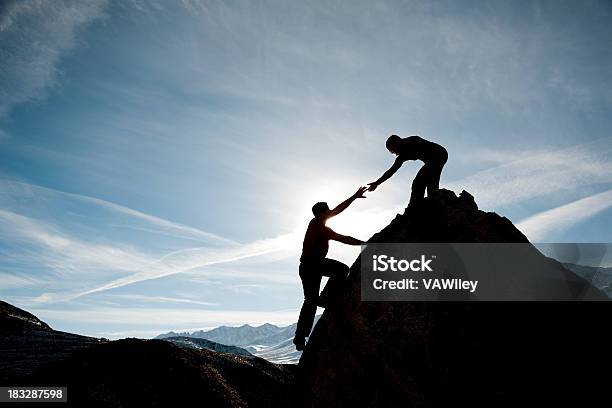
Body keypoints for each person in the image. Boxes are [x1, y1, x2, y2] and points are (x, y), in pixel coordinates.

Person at [293, 187, 367, 351]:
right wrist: (363, 243)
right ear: (321, 213)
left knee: (311, 300)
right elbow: (343, 238)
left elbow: (338, 209)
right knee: (341, 271)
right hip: (312, 266)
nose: (330, 213)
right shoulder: (320, 227)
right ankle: (324, 301)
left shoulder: (318, 221)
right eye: (327, 211)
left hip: (310, 265)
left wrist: (354, 197)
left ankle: (300, 336)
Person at [367, 135, 448, 204]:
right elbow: (391, 171)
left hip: (438, 154)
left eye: (392, 150)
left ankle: (416, 207)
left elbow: (423, 147)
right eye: (391, 151)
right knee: (427, 183)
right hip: (435, 158)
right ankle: (431, 202)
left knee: (419, 182)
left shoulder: (412, 141)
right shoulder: (402, 156)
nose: (394, 153)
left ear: (396, 144)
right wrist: (377, 183)